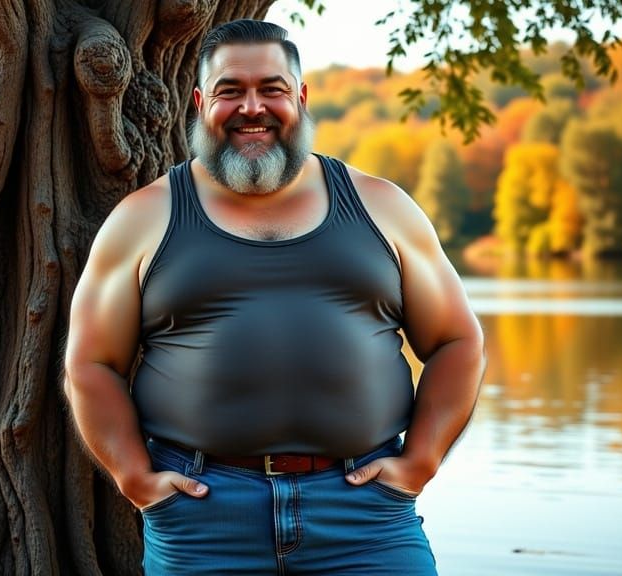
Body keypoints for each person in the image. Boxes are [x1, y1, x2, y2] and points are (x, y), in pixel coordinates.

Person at [64, 18, 485, 575]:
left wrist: (422, 460)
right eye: (230, 91)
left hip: (366, 519)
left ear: (302, 98)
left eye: (272, 89)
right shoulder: (144, 216)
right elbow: (90, 364)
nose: (252, 107)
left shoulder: (383, 207)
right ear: (199, 103)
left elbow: (459, 342)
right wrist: (135, 479)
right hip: (202, 520)